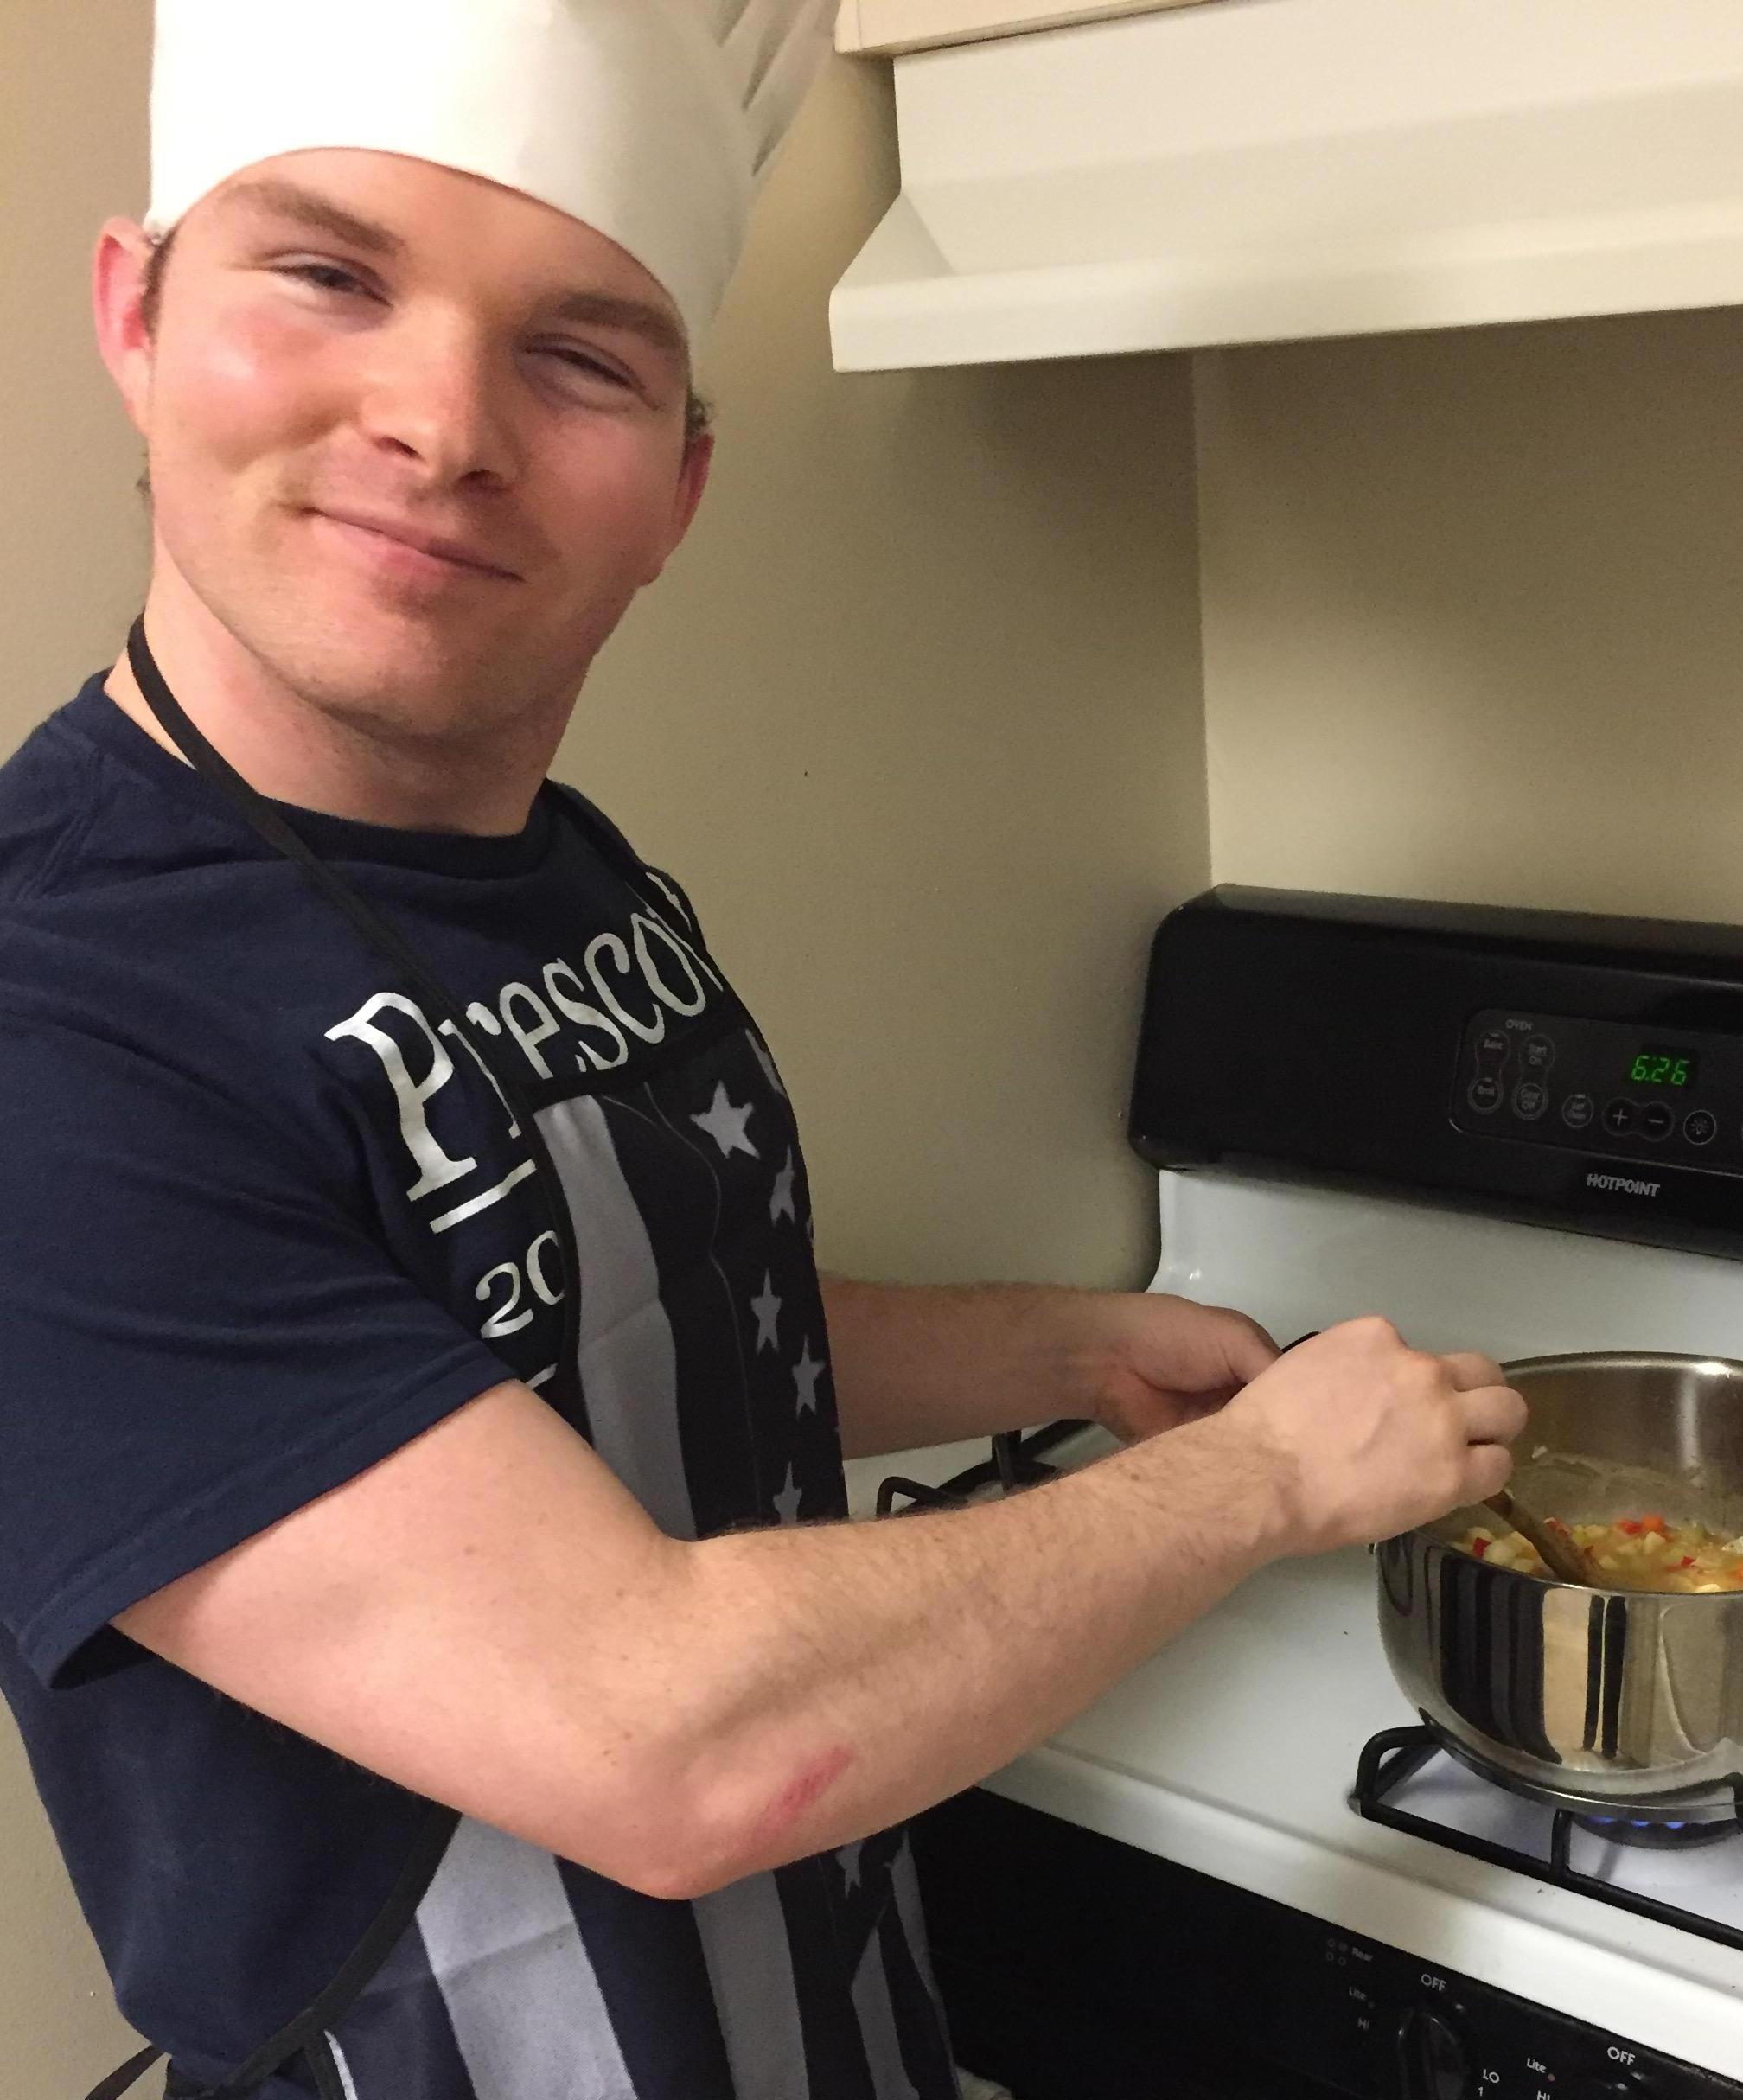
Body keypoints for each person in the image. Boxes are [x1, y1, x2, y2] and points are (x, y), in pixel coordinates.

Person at [0, 4, 1527, 2097]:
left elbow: (578, 1313)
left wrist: (1059, 1358)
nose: (444, 423)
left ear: (679, 487)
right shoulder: (55, 1017)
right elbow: (663, 1737)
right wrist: (1259, 1483)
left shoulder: (554, 868)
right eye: (330, 274)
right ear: (137, 318)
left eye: (580, 353)